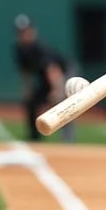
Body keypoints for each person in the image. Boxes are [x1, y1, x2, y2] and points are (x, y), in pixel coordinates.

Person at [13, 14, 74, 142]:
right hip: (45, 79)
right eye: (20, 32)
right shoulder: (20, 50)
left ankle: (68, 138)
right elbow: (26, 73)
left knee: (63, 104)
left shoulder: (39, 48)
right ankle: (34, 137)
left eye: (25, 31)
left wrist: (56, 90)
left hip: (64, 75)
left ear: (32, 31)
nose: (23, 34)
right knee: (31, 102)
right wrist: (27, 91)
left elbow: (53, 70)